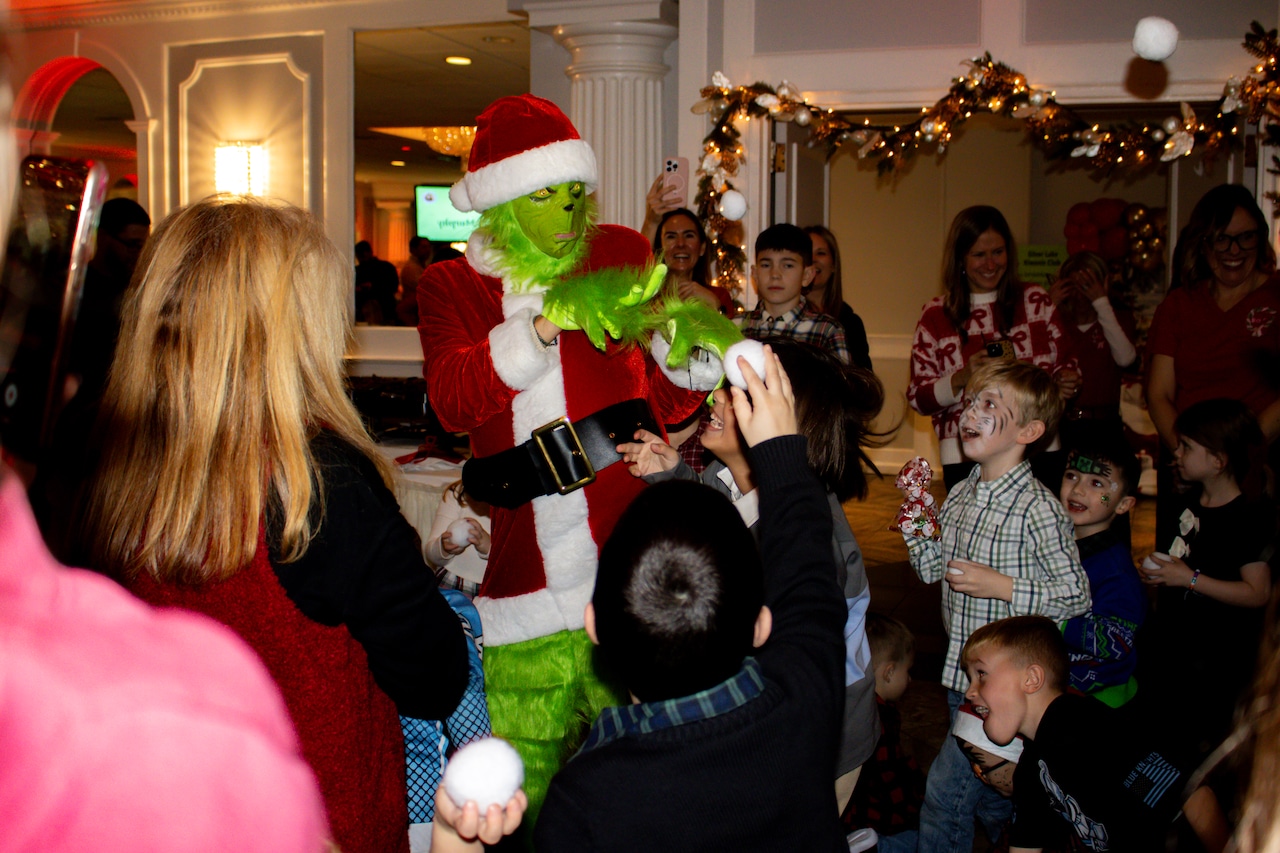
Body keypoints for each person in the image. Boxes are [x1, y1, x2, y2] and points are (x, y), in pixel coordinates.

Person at [73, 196, 470, 853]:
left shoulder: (102, 453)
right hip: (317, 820)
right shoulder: (317, 480)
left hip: (167, 811)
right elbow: (434, 676)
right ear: (283, 329)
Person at [417, 94, 730, 825]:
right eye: (541, 198)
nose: (564, 217)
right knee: (523, 793)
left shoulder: (621, 253)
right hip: (525, 583)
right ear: (500, 202)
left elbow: (668, 397)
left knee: (654, 781)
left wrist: (690, 354)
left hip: (632, 569)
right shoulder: (453, 286)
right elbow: (456, 398)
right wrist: (541, 327)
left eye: (571, 196)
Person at [535, 347, 852, 851]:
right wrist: (783, 454)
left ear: (594, 625)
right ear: (760, 627)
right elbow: (808, 576)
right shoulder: (805, 709)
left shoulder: (583, 799)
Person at [617, 338, 884, 811]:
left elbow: (784, 596)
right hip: (764, 709)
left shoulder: (815, 530)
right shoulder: (724, 474)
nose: (717, 398)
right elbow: (723, 517)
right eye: (724, 387)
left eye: (738, 394)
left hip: (826, 731)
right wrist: (673, 472)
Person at [900, 358, 1090, 853]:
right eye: (971, 401)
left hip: (1004, 689)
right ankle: (1029, 821)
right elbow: (930, 570)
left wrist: (1003, 586)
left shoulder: (1038, 508)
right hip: (958, 677)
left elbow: (1076, 594)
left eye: (989, 404)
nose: (970, 413)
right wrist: (918, 518)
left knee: (945, 796)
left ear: (1028, 429)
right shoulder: (961, 493)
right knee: (989, 794)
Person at [962, 616, 1228, 853]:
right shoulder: (1033, 768)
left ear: (1031, 678)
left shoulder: (1086, 729)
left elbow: (1189, 795)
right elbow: (1027, 841)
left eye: (981, 674)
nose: (969, 692)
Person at [1138, 398, 1275, 761]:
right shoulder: (1186, 504)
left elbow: (1258, 592)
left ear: (1218, 460)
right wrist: (1159, 573)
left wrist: (1189, 579)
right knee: (1162, 746)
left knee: (1198, 751)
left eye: (1187, 447)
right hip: (1177, 655)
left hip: (1216, 665)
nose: (1177, 452)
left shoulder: (1247, 518)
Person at [908, 205, 1080, 490]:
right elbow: (918, 398)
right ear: (960, 258)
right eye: (979, 255)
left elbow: (1067, 364)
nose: (990, 264)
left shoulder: (1035, 300)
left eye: (998, 252)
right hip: (966, 455)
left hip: (1038, 449)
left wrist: (1066, 381)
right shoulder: (936, 315)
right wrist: (962, 378)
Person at [1147, 184, 1280, 547]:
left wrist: (1239, 453)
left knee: (1248, 578)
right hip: (1186, 471)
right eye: (1222, 240)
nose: (1234, 252)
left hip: (1256, 465)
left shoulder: (1276, 296)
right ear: (1203, 244)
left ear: (1261, 239)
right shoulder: (1179, 305)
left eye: (1245, 238)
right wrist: (1189, 457)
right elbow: (1158, 393)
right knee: (1181, 573)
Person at [1058, 440, 1145, 708]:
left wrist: (1056, 621)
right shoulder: (1054, 544)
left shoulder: (1116, 572)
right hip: (1056, 683)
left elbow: (1117, 641)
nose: (1078, 489)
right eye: (1072, 476)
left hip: (1098, 698)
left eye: (1097, 484)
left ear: (1122, 504)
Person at [842, 614, 926, 844]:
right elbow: (889, 775)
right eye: (907, 670)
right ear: (889, 672)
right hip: (875, 820)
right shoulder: (880, 717)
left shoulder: (846, 704)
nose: (909, 679)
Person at [1048, 251, 1137, 450]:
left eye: (1087, 286)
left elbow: (1126, 359)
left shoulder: (1117, 320)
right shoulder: (1056, 322)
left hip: (1104, 426)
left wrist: (1101, 302)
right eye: (1073, 286)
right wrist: (1047, 307)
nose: (1080, 295)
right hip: (1062, 424)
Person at [67, 197, 151, 392]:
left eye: (143, 246)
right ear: (104, 237)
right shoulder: (78, 290)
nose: (139, 254)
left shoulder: (139, 289)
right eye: (132, 245)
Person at [738, 223, 850, 363]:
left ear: (807, 275)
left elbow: (842, 383)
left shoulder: (826, 331)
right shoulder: (737, 326)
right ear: (755, 274)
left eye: (788, 266)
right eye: (766, 265)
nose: (775, 275)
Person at [804, 225, 872, 371]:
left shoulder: (850, 323)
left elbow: (864, 381)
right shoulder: (781, 315)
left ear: (833, 264)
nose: (813, 260)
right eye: (808, 253)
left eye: (821, 253)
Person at [654, 206, 734, 314]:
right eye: (671, 237)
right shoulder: (649, 302)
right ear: (660, 249)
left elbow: (731, 330)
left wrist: (714, 304)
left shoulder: (719, 296)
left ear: (702, 248)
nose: (680, 244)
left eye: (689, 236)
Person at [423, 480, 491, 598]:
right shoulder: (459, 492)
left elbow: (517, 561)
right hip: (452, 586)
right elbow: (431, 554)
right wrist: (444, 548)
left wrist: (489, 547)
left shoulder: (524, 503)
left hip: (494, 592)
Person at [355, 239, 399, 324]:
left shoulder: (357, 271)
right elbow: (394, 286)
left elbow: (393, 286)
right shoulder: (387, 267)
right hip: (387, 310)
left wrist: (371, 287)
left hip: (380, 309)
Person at [397, 235, 434, 326]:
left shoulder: (422, 266)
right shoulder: (411, 268)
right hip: (412, 312)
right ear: (413, 250)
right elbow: (425, 288)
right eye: (423, 247)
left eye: (429, 247)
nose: (427, 250)